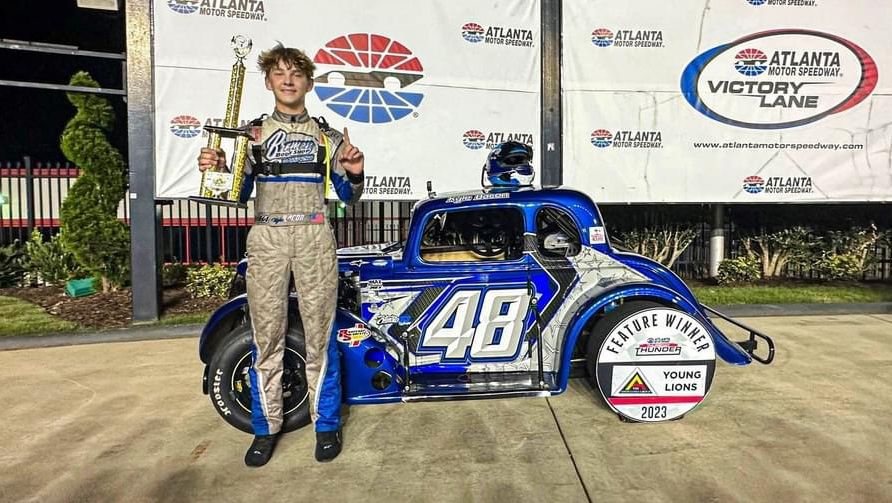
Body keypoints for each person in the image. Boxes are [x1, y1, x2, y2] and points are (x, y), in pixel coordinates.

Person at [197, 44, 364, 466]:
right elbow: (235, 194)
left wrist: (355, 171)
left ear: (308, 83)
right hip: (268, 237)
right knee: (266, 336)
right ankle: (264, 427)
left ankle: (326, 425)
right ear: (269, 81)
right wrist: (217, 168)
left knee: (320, 336)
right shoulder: (252, 136)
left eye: (296, 74)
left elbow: (348, 197)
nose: (288, 80)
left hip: (314, 235)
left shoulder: (328, 137)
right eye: (280, 73)